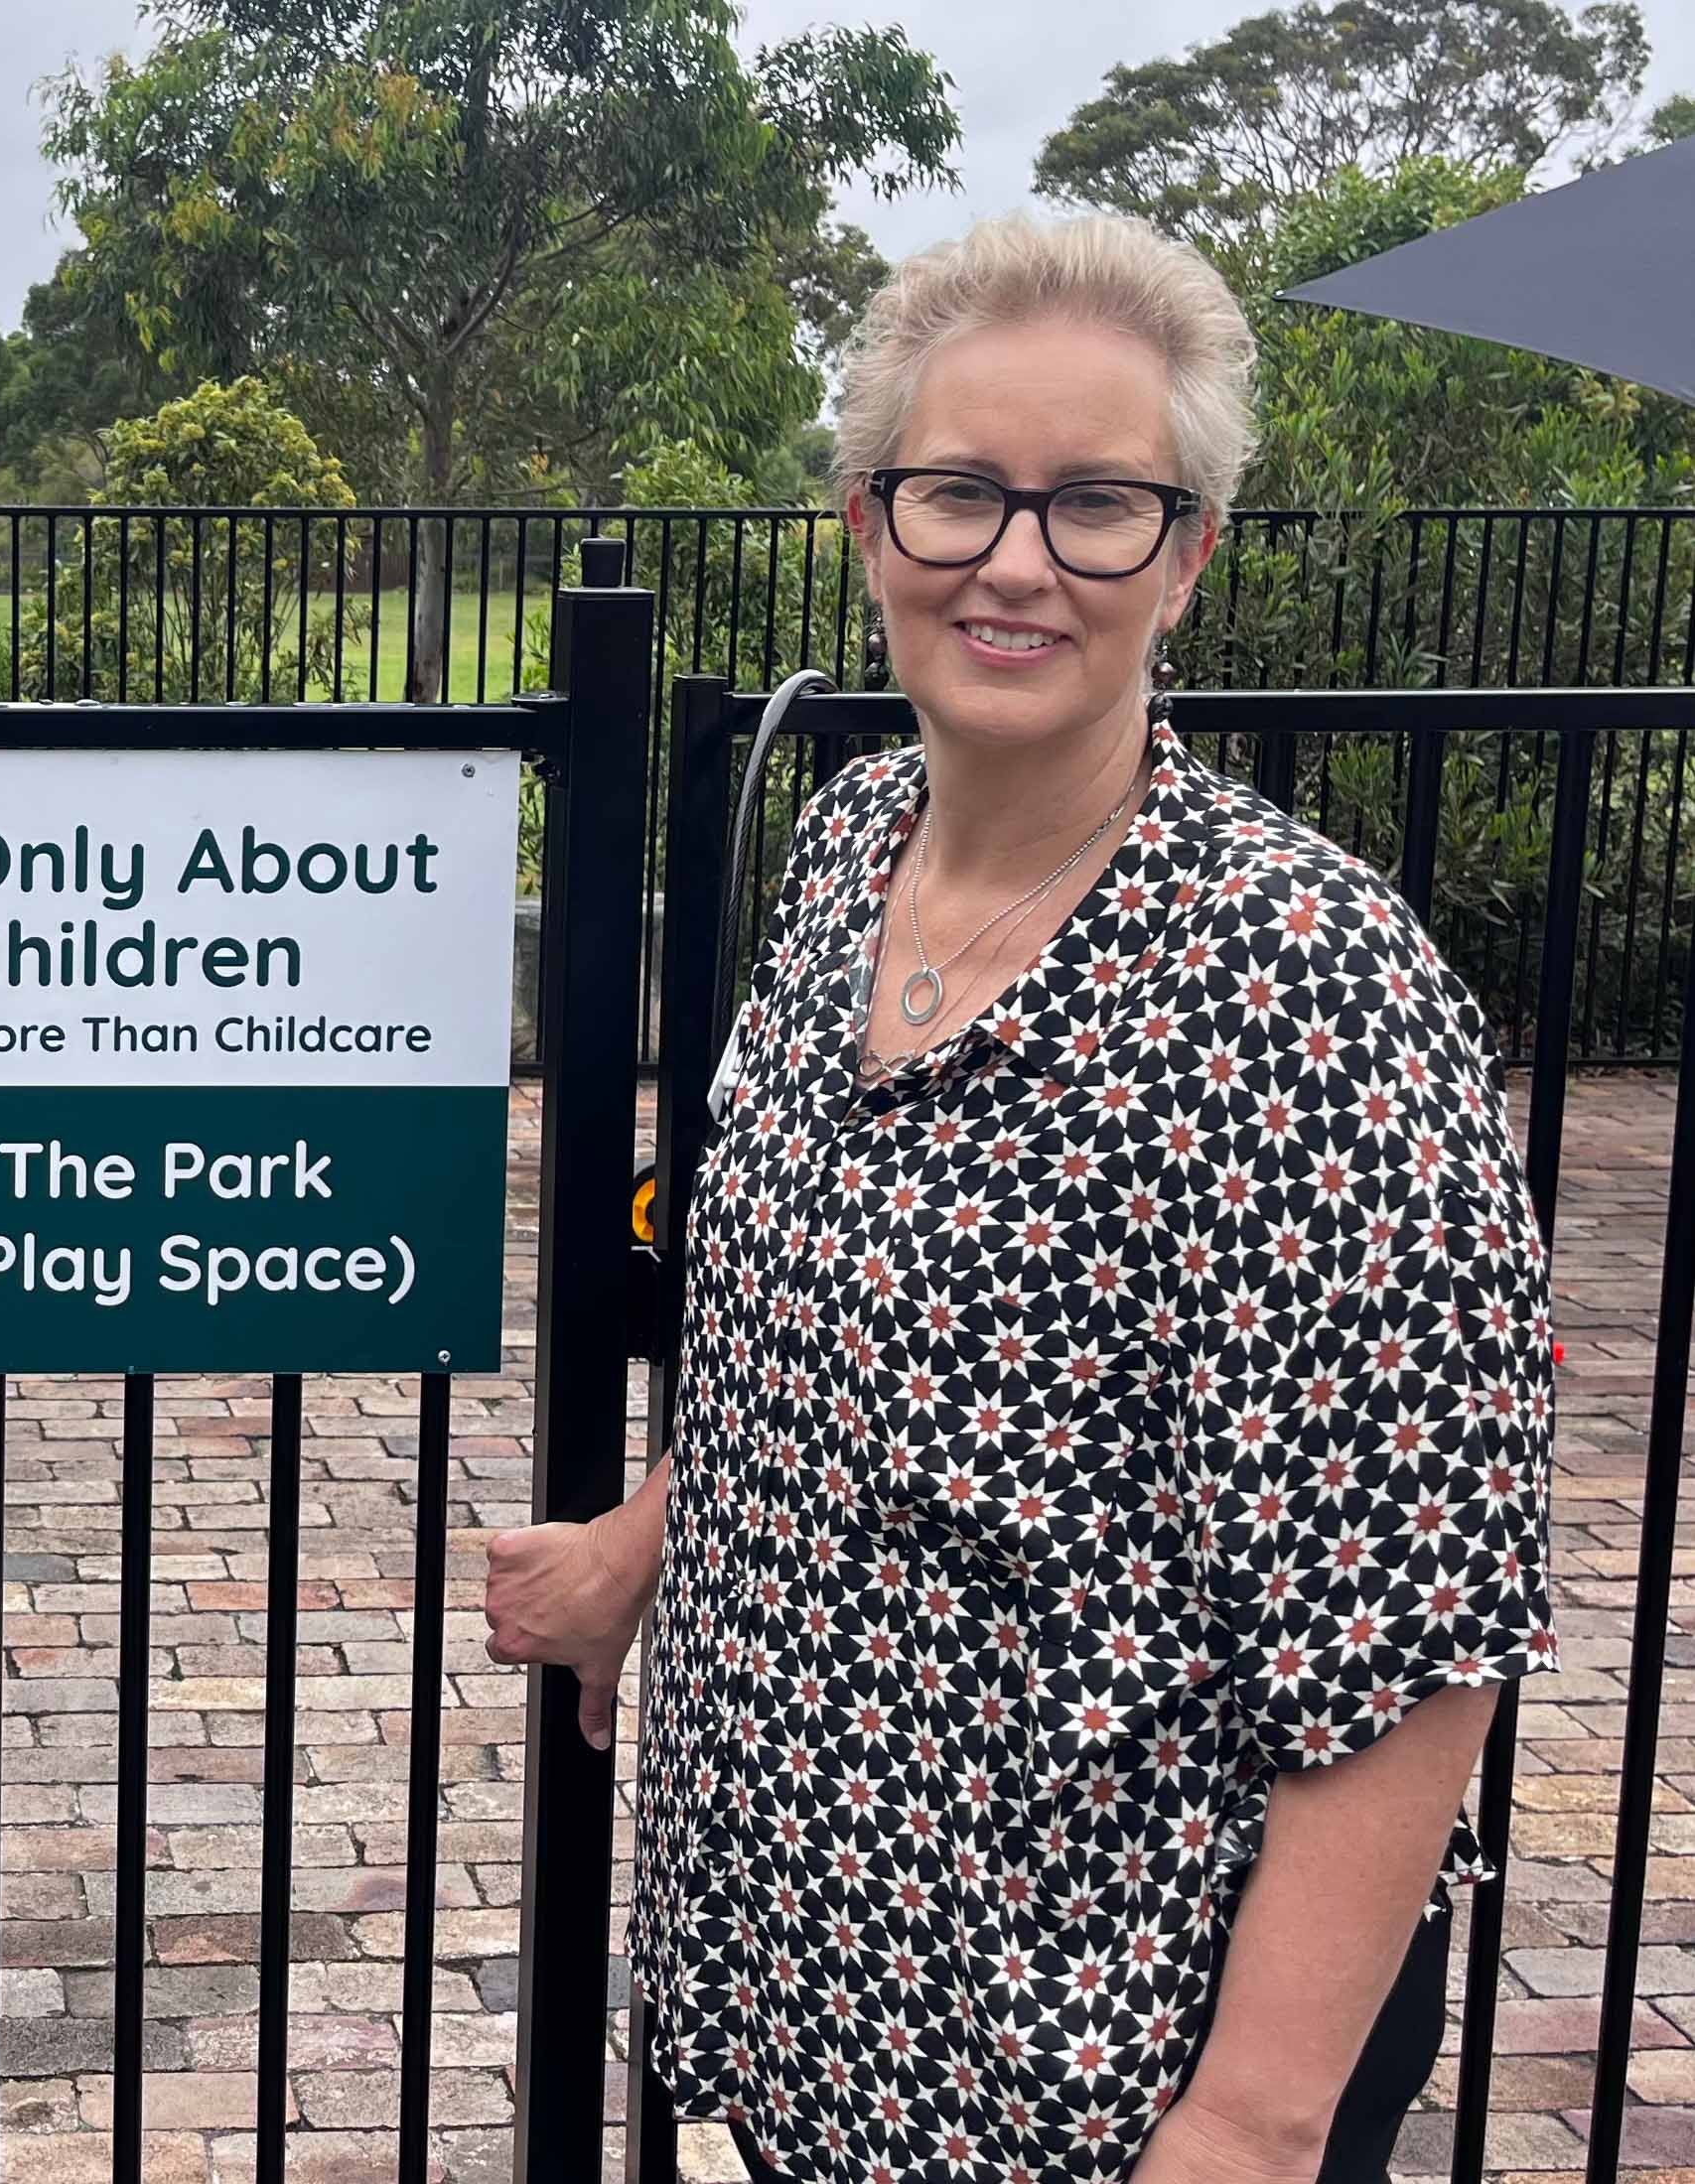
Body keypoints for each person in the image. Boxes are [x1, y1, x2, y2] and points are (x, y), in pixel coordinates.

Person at [483, 212, 1554, 2183]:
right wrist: (650, 1533)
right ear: (868, 523)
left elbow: (1411, 1619)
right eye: (961, 490)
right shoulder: (851, 846)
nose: (1017, 560)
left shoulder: (1302, 984)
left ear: (1189, 555)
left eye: (1099, 505)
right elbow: (808, 1323)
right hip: (828, 1987)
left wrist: (1248, 2125)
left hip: (1112, 2047)